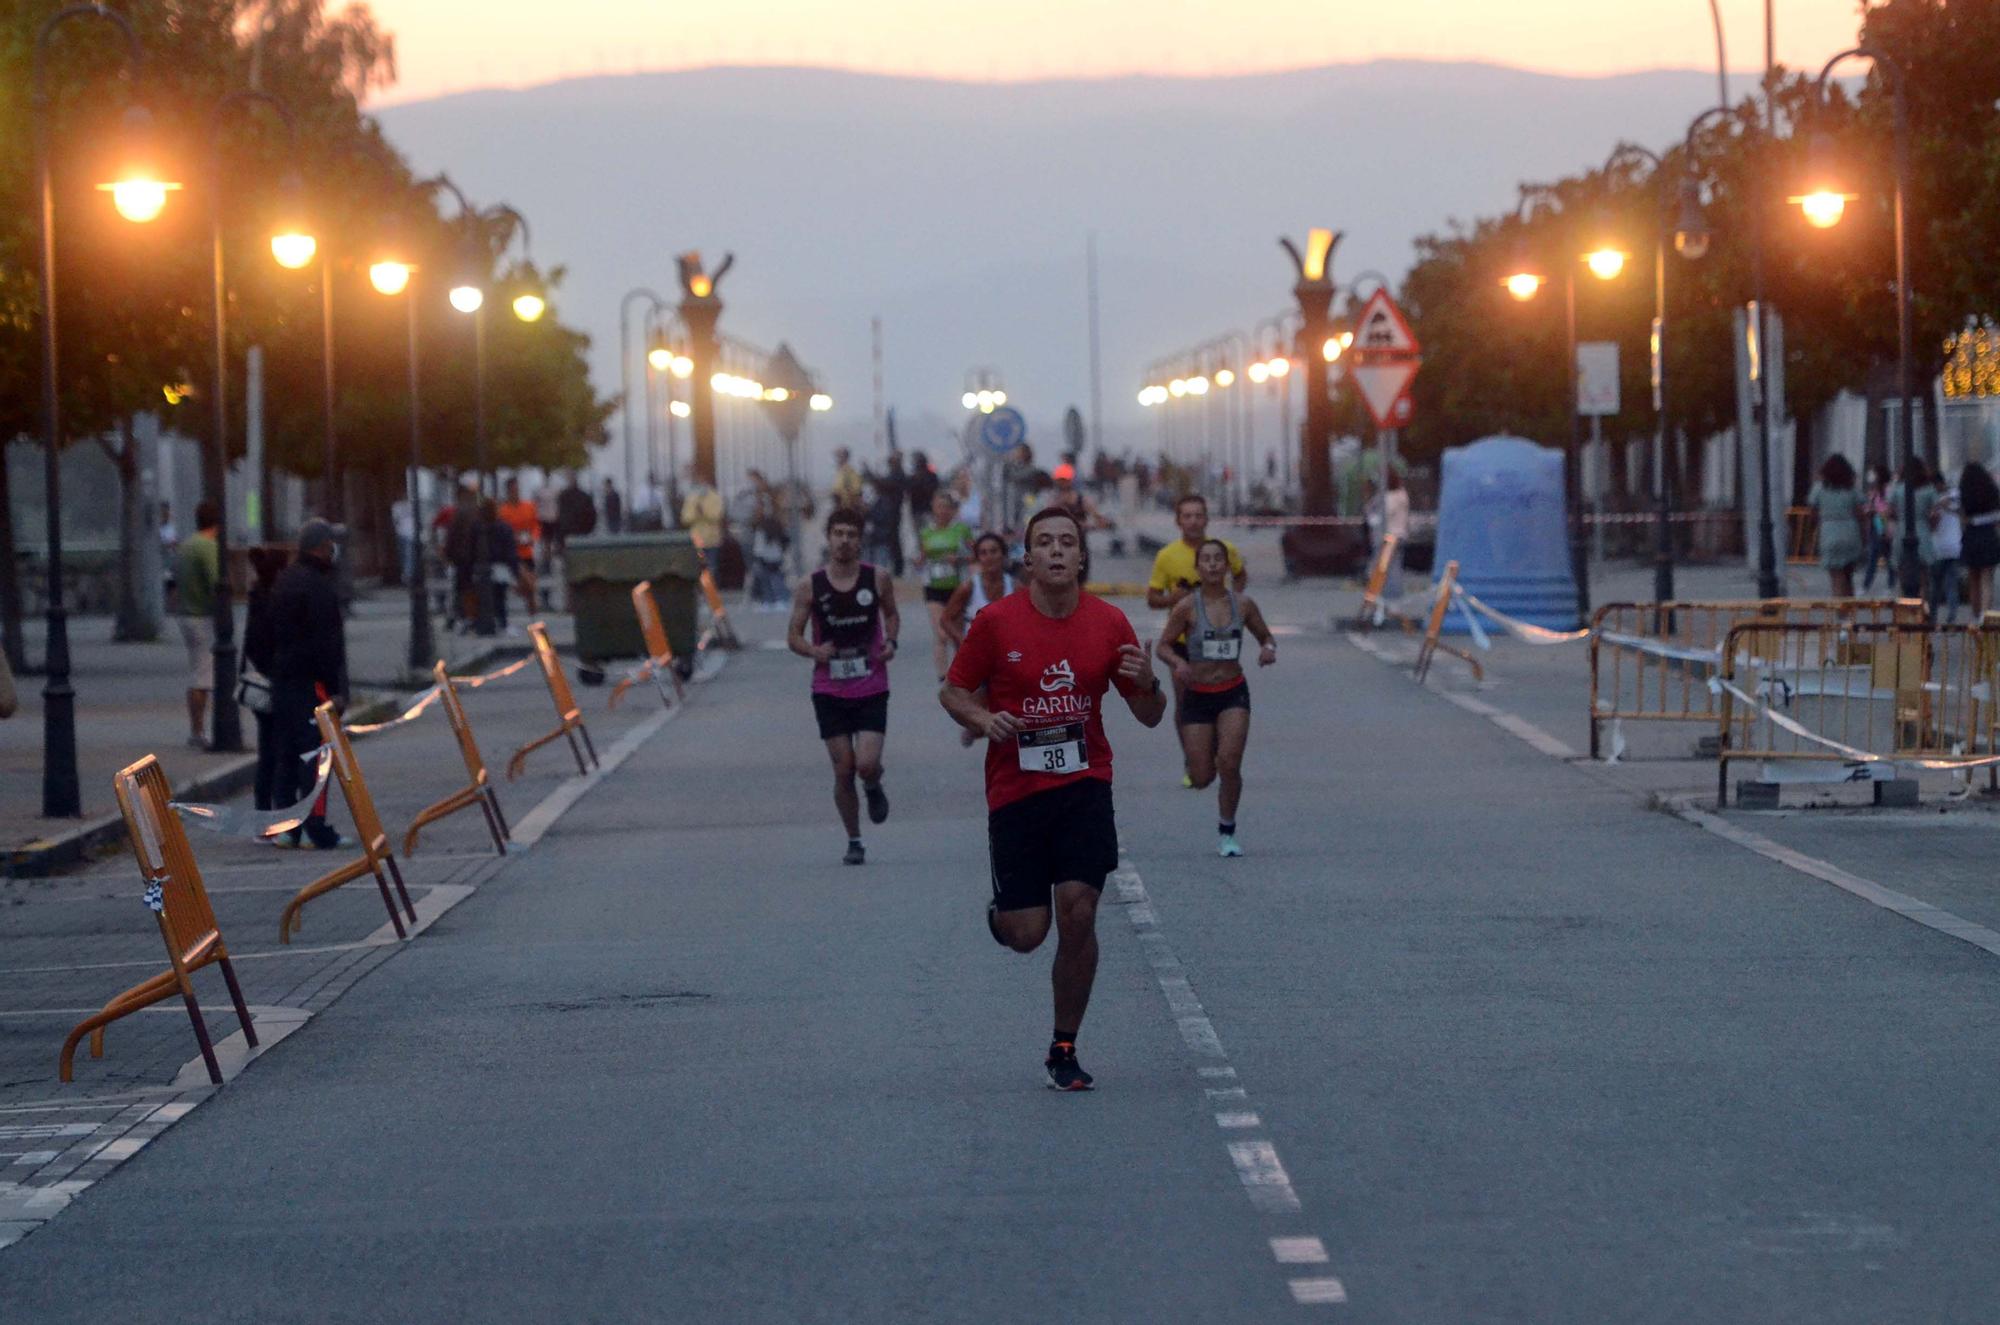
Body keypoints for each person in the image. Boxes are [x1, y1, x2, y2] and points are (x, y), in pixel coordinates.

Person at [941, 507, 1167, 1091]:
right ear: (1029, 559)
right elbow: (954, 689)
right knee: (1028, 934)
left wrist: (1148, 683)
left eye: (1069, 542)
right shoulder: (995, 622)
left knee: (1079, 910)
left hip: (1084, 787)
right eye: (1046, 543)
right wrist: (982, 717)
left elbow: (1148, 717)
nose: (1059, 552)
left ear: (1082, 557)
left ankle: (1063, 1046)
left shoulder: (1110, 623)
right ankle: (1001, 917)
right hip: (1016, 793)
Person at [787, 508, 899, 865]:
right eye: (838, 533)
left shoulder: (877, 578)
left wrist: (891, 642)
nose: (844, 540)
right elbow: (793, 635)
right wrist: (813, 651)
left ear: (860, 539)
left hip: (871, 684)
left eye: (851, 534)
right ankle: (855, 839)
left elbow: (892, 614)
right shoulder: (810, 585)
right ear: (828, 537)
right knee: (842, 769)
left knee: (865, 764)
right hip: (829, 689)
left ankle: (873, 783)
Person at [1155, 540, 1278, 858]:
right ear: (1197, 568)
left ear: (1226, 566)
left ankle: (1227, 831)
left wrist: (1268, 649)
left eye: (1217, 560)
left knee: (1230, 762)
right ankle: (1203, 757)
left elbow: (1266, 636)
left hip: (1232, 691)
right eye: (1205, 560)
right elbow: (1163, 645)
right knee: (1200, 777)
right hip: (1197, 695)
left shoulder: (1244, 605)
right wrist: (1179, 663)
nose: (1211, 565)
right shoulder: (1187, 607)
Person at [1147, 493, 1247, 774]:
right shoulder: (1167, 557)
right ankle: (1192, 761)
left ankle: (1215, 749)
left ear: (1207, 519)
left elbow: (1240, 574)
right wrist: (1174, 599)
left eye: (1198, 515)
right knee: (1187, 702)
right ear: (1178, 521)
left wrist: (1233, 604)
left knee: (1222, 695)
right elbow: (1152, 599)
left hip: (1218, 641)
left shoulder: (1224, 550)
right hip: (1182, 644)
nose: (1193, 521)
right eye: (1187, 516)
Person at [269, 520, 346, 850]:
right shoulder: (317, 586)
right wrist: (336, 687)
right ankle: (316, 828)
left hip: (283, 680)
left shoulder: (285, 580)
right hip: (311, 683)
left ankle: (286, 827)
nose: (333, 550)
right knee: (315, 755)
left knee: (286, 754)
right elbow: (327, 642)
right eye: (330, 545)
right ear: (319, 547)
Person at [173, 500, 221, 749]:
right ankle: (198, 730)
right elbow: (217, 582)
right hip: (203, 615)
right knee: (202, 675)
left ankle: (198, 728)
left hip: (186, 613)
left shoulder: (186, 546)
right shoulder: (208, 547)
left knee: (199, 669)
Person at [241, 547, 283, 809]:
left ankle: (264, 808)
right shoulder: (270, 601)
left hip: (262, 683)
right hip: (272, 683)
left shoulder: (258, 596)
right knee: (273, 752)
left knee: (267, 750)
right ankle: (268, 811)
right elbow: (259, 645)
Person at [915, 490, 973, 680]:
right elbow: (921, 558)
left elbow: (976, 554)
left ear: (952, 510)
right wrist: (918, 562)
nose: (942, 511)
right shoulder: (926, 532)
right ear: (933, 508)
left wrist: (960, 559)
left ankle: (959, 674)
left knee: (956, 633)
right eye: (939, 507)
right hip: (933, 587)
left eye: (946, 507)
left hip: (956, 587)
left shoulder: (961, 530)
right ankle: (943, 675)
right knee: (941, 633)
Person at [1806, 454, 1863, 598]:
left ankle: (1840, 614)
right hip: (1850, 530)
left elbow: (1812, 513)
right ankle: (1850, 611)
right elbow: (1860, 513)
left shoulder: (1819, 489)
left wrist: (1812, 531)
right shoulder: (1852, 489)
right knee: (1848, 576)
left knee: (1836, 578)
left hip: (1829, 530)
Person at [1959, 461, 2000, 617]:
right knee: (1987, 579)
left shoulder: (1964, 493)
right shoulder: (1991, 491)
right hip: (1988, 535)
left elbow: (1962, 518)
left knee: (1973, 579)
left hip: (1971, 535)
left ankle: (1975, 615)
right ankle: (1986, 615)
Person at [498, 478, 540, 617]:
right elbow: (501, 530)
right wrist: (512, 539)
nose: (515, 493)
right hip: (513, 554)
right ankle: (522, 595)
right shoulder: (503, 511)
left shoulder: (529, 506)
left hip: (527, 551)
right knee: (527, 583)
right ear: (508, 491)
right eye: (512, 490)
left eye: (517, 490)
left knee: (531, 586)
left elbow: (536, 525)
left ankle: (533, 614)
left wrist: (532, 537)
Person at [1930, 469, 1964, 623]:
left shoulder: (1953, 495)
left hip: (1946, 547)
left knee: (1945, 584)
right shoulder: (1934, 498)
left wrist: (1944, 506)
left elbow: (1961, 512)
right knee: (1942, 585)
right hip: (1944, 547)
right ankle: (1939, 615)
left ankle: (1946, 616)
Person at [681, 468, 726, 574]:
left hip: (712, 539)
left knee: (712, 567)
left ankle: (711, 589)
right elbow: (685, 518)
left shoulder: (715, 497)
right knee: (697, 568)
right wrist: (697, 514)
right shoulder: (691, 498)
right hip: (696, 540)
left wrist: (703, 513)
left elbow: (717, 516)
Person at [1861, 465, 1894, 593]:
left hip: (1884, 523)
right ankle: (1866, 585)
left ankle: (1890, 584)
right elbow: (1869, 505)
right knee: (1874, 556)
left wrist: (1875, 510)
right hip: (1876, 523)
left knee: (1888, 556)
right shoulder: (1875, 491)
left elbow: (1887, 508)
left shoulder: (1888, 489)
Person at [830, 447, 864, 514]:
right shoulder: (840, 472)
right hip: (841, 509)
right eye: (836, 457)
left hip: (848, 510)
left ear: (845, 457)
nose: (837, 459)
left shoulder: (849, 472)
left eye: (839, 456)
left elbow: (857, 493)